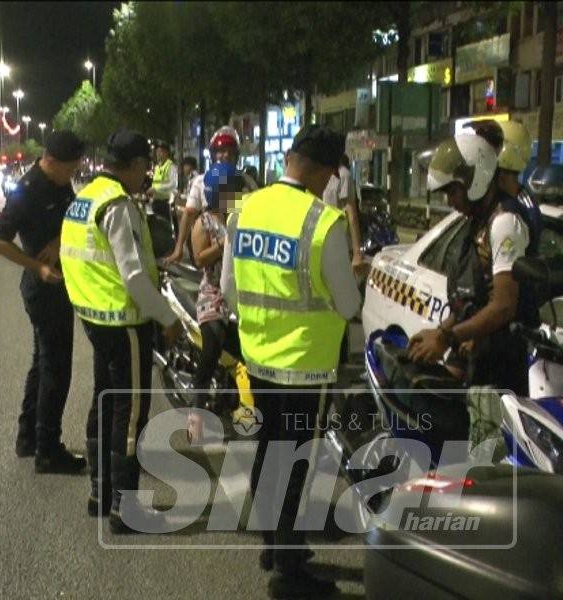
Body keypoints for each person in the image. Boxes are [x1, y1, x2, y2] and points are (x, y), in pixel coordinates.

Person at [221, 124, 360, 598]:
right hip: (307, 366)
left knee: (266, 450)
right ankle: (288, 568)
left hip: (257, 358)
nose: (329, 185)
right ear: (322, 170)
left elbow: (227, 291)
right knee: (299, 460)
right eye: (330, 176)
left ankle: (270, 543)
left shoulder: (244, 209)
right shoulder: (324, 222)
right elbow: (347, 304)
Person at [59, 129, 181, 533]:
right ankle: (123, 508)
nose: (146, 173)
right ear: (130, 166)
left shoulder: (85, 197)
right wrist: (167, 316)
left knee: (105, 401)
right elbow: (132, 274)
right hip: (125, 322)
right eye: (144, 166)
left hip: (95, 318)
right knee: (129, 414)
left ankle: (99, 493)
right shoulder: (117, 205)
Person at [407, 133, 540, 398]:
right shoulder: (479, 220)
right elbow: (474, 297)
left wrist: (446, 338)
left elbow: (503, 306)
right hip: (482, 354)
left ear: (474, 179)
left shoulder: (504, 223)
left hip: (502, 365)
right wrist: (441, 331)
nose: (450, 201)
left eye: (452, 191)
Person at [0, 130, 87, 473]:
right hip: (42, 288)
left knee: (42, 363)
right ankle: (48, 450)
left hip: (57, 283)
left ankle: (28, 437)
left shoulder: (59, 183)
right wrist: (39, 267)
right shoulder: (26, 192)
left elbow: (70, 217)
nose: (73, 174)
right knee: (56, 369)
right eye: (71, 167)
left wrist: (60, 240)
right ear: (52, 161)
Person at [189, 162, 241, 426]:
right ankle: (196, 411)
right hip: (213, 294)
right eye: (230, 191)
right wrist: (224, 241)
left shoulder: (241, 216)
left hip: (240, 293)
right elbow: (199, 258)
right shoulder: (204, 222)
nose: (236, 195)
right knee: (212, 346)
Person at [166, 126, 257, 264]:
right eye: (221, 151)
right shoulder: (201, 181)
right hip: (213, 248)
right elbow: (189, 213)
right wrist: (178, 248)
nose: (226, 155)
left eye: (230, 152)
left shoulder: (246, 181)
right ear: (213, 155)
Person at [323, 154, 365, 276]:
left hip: (341, 243)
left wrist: (357, 253)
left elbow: (351, 213)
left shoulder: (343, 175)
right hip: (323, 242)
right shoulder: (322, 174)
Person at [146, 140, 176, 222]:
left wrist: (155, 189)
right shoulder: (157, 167)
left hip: (165, 203)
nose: (158, 153)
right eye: (157, 151)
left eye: (161, 151)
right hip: (156, 202)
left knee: (165, 226)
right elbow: (155, 183)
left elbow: (173, 184)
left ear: (167, 153)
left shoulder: (170, 166)